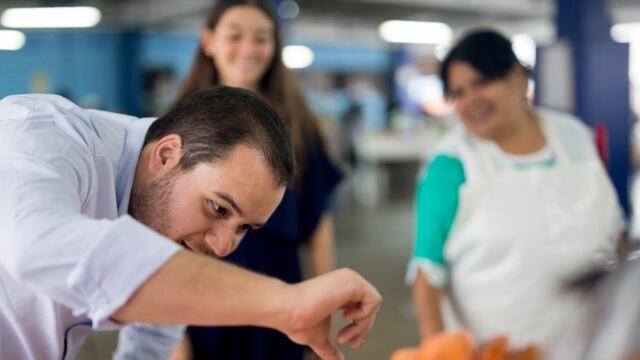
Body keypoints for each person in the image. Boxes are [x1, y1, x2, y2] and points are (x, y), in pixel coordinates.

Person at [0, 86, 381, 360]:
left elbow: (156, 324)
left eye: (245, 228)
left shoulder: (162, 224)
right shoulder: (40, 133)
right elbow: (41, 248)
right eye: (217, 209)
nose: (222, 247)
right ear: (166, 155)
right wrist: (284, 303)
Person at [115, 1, 344, 359]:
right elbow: (149, 232)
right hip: (195, 295)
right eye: (235, 36)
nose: (249, 49)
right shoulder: (177, 127)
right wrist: (169, 333)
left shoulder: (298, 127)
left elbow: (318, 224)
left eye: (261, 38)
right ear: (209, 41)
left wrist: (320, 309)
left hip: (276, 292)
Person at [406, 29, 623, 354]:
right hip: (499, 351)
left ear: (518, 77)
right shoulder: (451, 166)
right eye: (458, 93)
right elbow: (427, 273)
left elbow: (613, 232)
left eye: (481, 83)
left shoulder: (575, 136)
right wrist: (439, 348)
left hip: (592, 344)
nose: (470, 101)